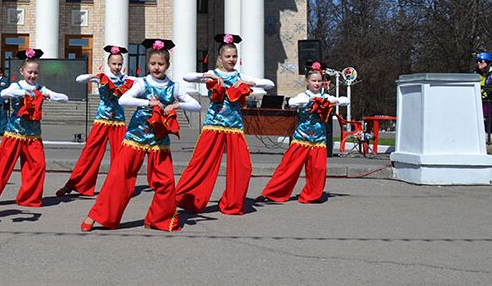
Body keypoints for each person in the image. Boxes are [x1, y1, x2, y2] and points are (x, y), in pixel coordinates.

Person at [81, 39, 200, 232]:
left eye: (160, 64)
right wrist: (147, 103)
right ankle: (97, 216)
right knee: (119, 177)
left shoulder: (173, 87)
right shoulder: (143, 83)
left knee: (166, 181)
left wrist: (177, 105)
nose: (156, 67)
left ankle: (157, 219)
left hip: (158, 140)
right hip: (135, 137)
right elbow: (123, 99)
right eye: (153, 63)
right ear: (148, 64)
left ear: (167, 66)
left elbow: (197, 105)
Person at [175, 33, 274, 216]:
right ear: (220, 57)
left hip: (235, 128)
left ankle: (232, 203)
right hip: (213, 126)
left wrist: (248, 82)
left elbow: (269, 84)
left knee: (243, 167)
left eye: (234, 56)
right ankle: (186, 198)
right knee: (201, 163)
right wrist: (206, 76)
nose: (231, 60)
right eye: (228, 56)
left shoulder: (240, 75)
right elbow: (187, 77)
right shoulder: (214, 74)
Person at [0, 49, 68, 208]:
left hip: (33, 136)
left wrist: (48, 95)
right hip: (14, 134)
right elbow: (3, 93)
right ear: (22, 71)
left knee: (38, 166)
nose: (32, 76)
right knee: (2, 165)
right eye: (29, 72)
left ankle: (29, 198)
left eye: (35, 73)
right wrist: (23, 93)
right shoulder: (15, 86)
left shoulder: (41, 88)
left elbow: (64, 98)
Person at [258, 61, 348, 204]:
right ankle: (273, 193)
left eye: (319, 81)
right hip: (301, 138)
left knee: (318, 169)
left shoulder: (326, 97)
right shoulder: (303, 96)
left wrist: (334, 101)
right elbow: (292, 103)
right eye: (313, 81)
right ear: (307, 81)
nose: (316, 84)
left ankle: (312, 195)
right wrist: (310, 99)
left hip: (319, 140)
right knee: (289, 168)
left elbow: (345, 101)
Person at [56, 45, 132, 197]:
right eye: (114, 63)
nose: (116, 67)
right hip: (102, 120)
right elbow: (79, 79)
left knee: (121, 155)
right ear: (108, 64)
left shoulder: (126, 80)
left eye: (119, 64)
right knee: (90, 153)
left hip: (119, 121)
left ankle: (118, 186)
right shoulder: (102, 77)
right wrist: (94, 76)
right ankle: (74, 184)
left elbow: (144, 82)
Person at [476, 51, 492, 143]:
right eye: (477, 61)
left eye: (481, 61)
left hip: (489, 102)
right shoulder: (477, 75)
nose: (479, 63)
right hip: (480, 101)